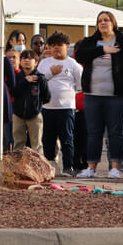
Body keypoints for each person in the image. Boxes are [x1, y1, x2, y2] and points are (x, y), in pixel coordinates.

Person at [74, 11, 123, 179]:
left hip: (116, 97)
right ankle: (91, 168)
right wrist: (102, 49)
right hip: (92, 95)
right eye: (100, 21)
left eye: (106, 20)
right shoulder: (90, 42)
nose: (103, 23)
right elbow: (79, 55)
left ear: (113, 23)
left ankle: (115, 168)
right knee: (93, 132)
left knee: (115, 133)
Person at [37, 31, 82, 176]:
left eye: (60, 45)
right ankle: (50, 167)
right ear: (49, 47)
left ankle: (68, 167)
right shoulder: (44, 63)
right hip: (47, 107)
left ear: (67, 46)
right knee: (47, 139)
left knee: (67, 139)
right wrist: (51, 74)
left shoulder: (73, 64)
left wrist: (70, 95)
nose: (56, 48)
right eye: (53, 45)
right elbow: (38, 82)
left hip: (66, 108)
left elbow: (81, 84)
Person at [12, 49, 50, 151]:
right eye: (24, 58)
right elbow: (13, 93)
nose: (26, 60)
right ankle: (18, 166)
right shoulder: (16, 77)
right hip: (17, 114)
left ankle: (38, 166)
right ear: (20, 61)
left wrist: (36, 106)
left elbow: (46, 97)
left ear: (36, 62)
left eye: (30, 58)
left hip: (35, 115)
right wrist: (25, 81)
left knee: (36, 145)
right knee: (18, 143)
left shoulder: (40, 78)